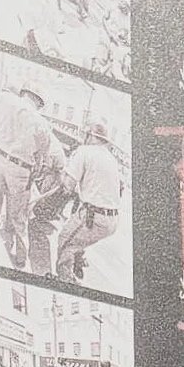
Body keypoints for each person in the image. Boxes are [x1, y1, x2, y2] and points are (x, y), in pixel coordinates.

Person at [0, 83, 58, 270]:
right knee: (18, 218)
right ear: (38, 101)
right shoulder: (42, 124)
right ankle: (21, 260)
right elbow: (41, 160)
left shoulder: (3, 99)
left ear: (25, 94)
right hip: (20, 170)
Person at [55, 121, 122, 283]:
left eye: (85, 134)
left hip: (94, 216)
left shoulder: (84, 151)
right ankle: (79, 260)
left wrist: (61, 174)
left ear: (91, 136)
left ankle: (66, 280)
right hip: (111, 221)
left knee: (65, 241)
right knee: (78, 236)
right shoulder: (110, 158)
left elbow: (68, 186)